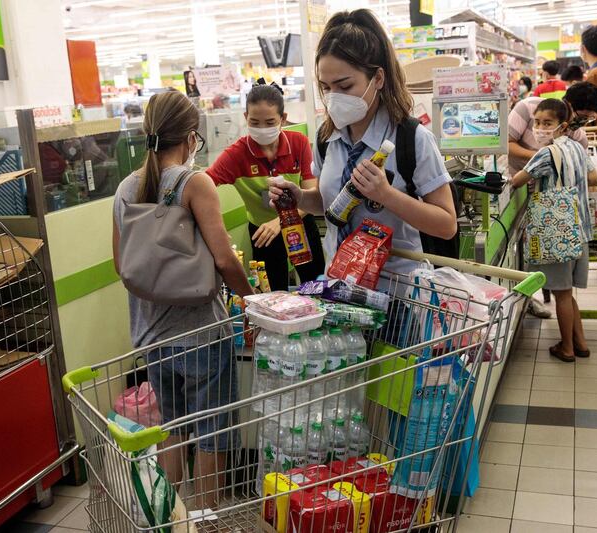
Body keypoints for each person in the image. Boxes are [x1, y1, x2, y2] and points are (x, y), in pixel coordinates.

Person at [112, 91, 253, 509]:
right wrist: (254, 301)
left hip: (150, 336)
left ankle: (168, 518)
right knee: (213, 432)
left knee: (174, 429)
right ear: (191, 138)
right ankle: (207, 518)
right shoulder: (194, 183)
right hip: (200, 334)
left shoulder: (126, 187)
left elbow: (122, 264)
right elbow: (225, 259)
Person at [268, 9, 457, 282]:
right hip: (339, 287)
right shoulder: (326, 138)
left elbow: (446, 225)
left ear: (377, 79)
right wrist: (300, 197)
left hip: (396, 295)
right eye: (326, 87)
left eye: (344, 86)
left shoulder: (411, 139)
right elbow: (330, 203)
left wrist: (386, 195)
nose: (334, 97)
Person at [207, 80, 325, 291]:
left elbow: (312, 194)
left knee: (315, 286)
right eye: (255, 122)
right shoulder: (236, 155)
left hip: (300, 224)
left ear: (283, 119)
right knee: (273, 295)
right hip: (263, 233)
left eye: (270, 122)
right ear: (245, 119)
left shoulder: (298, 143)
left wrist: (280, 221)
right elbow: (204, 184)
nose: (262, 129)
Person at [511, 99, 597, 362]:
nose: (539, 128)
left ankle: (568, 349)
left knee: (561, 295)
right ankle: (580, 343)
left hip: (558, 234)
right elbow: (594, 177)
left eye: (546, 123)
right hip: (579, 230)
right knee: (568, 293)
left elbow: (516, 181)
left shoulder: (547, 154)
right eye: (536, 122)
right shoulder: (577, 148)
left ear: (561, 126)